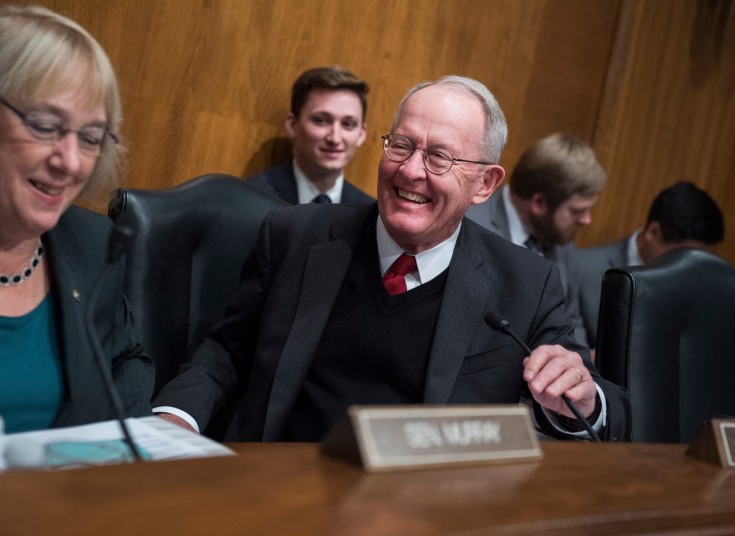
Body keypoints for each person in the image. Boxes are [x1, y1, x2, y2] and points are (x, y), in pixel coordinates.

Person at [155, 76, 630, 442]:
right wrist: (174, 418)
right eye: (401, 145)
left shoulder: (526, 282)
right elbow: (227, 352)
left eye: (439, 157)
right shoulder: (296, 236)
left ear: (485, 184)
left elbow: (612, 407)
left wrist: (584, 401)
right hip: (278, 492)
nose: (410, 170)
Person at [0, 5, 153, 433]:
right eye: (45, 125)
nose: (70, 162)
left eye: (90, 138)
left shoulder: (93, 244)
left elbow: (126, 364)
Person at [465, 133, 606, 347]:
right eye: (577, 211)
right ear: (539, 202)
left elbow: (571, 320)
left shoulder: (560, 238)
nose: (586, 220)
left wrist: (577, 362)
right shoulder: (471, 225)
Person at [574, 181, 725, 348]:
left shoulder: (704, 284)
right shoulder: (582, 269)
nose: (694, 267)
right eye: (685, 256)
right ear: (653, 232)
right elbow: (571, 352)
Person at [247, 65, 373, 204]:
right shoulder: (251, 198)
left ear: (361, 134)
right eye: (320, 121)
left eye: (348, 124)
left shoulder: (371, 214)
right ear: (292, 125)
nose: (335, 138)